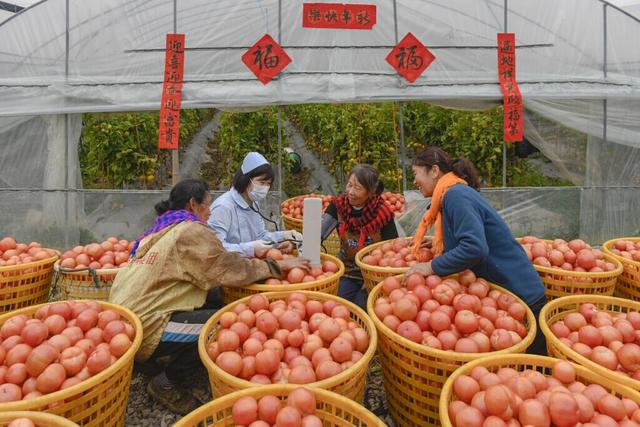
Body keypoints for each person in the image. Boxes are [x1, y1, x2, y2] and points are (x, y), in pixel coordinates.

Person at [110, 179, 309, 414]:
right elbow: (226, 267)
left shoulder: (161, 229)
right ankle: (165, 382)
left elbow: (213, 263)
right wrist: (275, 267)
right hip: (147, 325)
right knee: (223, 327)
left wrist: (260, 255)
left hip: (119, 325)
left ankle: (147, 360)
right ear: (193, 204)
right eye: (207, 204)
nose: (210, 210)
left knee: (215, 296)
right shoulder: (191, 230)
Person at [404, 146, 547, 355]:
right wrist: (440, 245)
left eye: (416, 174)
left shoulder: (455, 195)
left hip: (521, 297)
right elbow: (467, 238)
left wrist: (431, 266)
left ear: (434, 171)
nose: (415, 181)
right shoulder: (452, 194)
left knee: (534, 373)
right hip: (507, 297)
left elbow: (474, 247)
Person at [321, 164, 398, 310]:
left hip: (373, 276)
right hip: (347, 271)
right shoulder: (338, 206)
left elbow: (392, 250)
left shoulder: (382, 213)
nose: (350, 192)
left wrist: (374, 278)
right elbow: (318, 232)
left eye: (357, 188)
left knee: (362, 307)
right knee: (338, 307)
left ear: (371, 191)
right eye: (349, 185)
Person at [208, 152, 303, 258]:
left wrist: (283, 236)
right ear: (246, 179)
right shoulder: (223, 207)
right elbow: (215, 248)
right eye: (261, 182)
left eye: (268, 184)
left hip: (249, 266)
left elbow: (260, 235)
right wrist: (251, 249)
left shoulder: (253, 203)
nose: (265, 188)